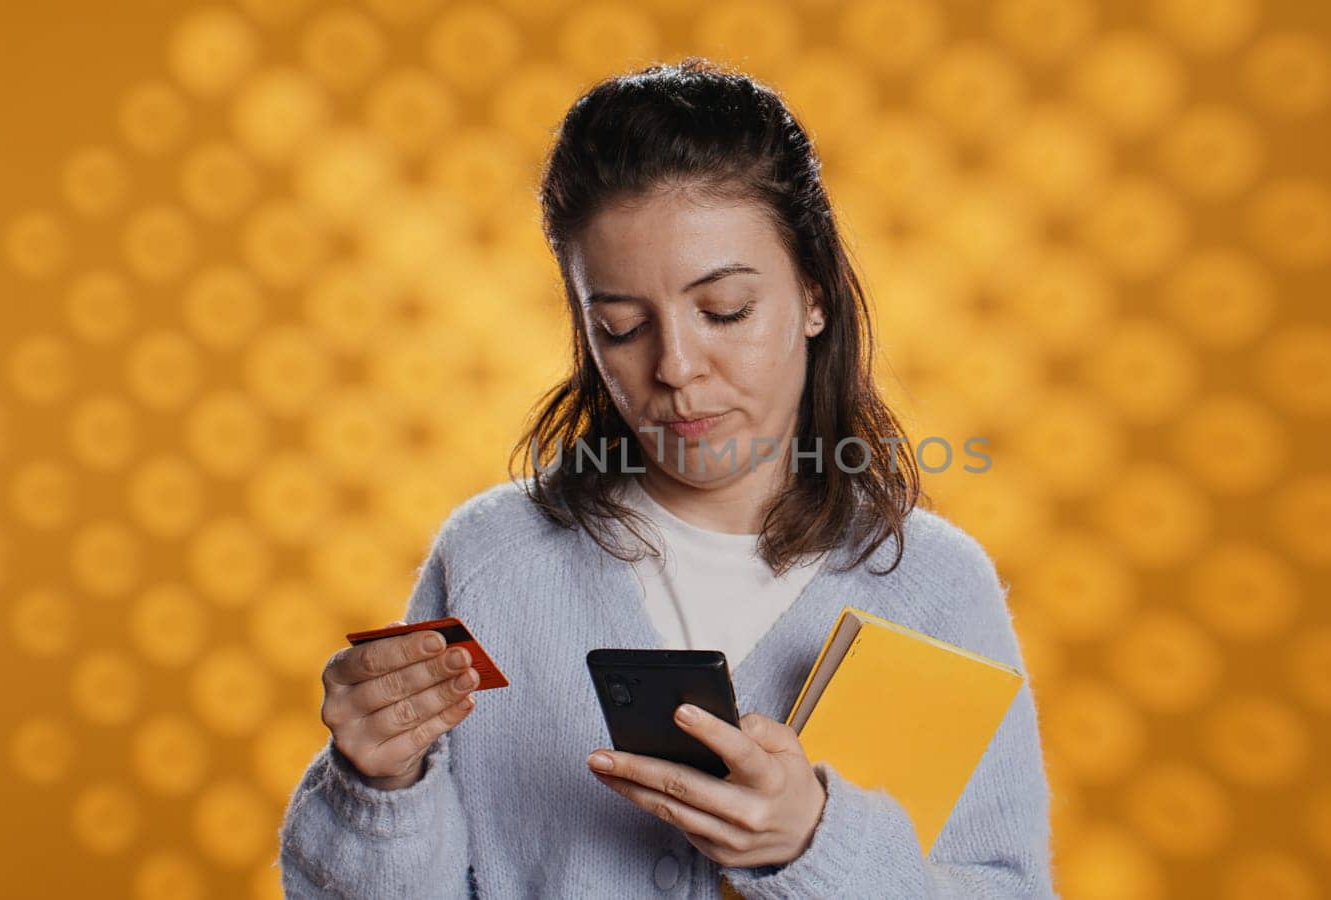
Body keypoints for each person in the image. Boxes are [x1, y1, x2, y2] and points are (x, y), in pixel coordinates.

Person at [278, 58, 1055, 899]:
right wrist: (379, 789)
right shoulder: (491, 561)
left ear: (816, 295)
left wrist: (816, 847)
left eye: (724, 311)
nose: (676, 367)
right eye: (619, 328)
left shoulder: (933, 588)